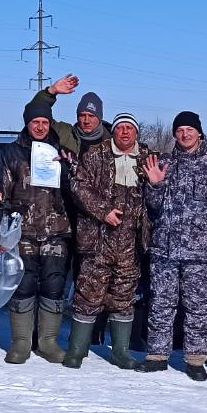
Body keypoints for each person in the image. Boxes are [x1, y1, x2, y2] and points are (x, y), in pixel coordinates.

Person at [140, 111, 207, 381]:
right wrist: (154, 186)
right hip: (164, 249)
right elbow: (151, 208)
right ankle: (157, 354)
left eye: (190, 129)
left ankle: (195, 359)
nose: (185, 134)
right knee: (161, 303)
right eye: (180, 129)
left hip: (200, 252)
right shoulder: (163, 163)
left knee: (199, 306)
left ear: (200, 133)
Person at [64, 112, 154, 369]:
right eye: (120, 128)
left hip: (132, 242)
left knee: (124, 295)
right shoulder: (95, 154)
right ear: (113, 131)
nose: (124, 132)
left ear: (136, 132)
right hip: (98, 238)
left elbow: (159, 194)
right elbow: (78, 187)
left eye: (129, 128)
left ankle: (121, 351)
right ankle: (77, 349)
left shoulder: (148, 158)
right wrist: (103, 210)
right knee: (88, 292)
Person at [0, 97, 76, 364]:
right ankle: (21, 342)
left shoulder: (61, 149)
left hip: (56, 228)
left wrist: (67, 167)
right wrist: (0, 223)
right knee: (23, 283)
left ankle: (48, 342)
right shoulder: (11, 152)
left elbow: (75, 190)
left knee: (54, 284)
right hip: (24, 229)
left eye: (44, 122)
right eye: (35, 122)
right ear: (27, 123)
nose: (40, 127)